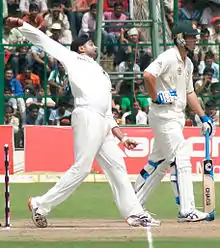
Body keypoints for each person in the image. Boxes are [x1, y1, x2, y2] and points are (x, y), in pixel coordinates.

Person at [6, 17, 160, 228]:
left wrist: (122, 137)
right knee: (82, 168)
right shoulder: (72, 58)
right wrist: (20, 24)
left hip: (102, 122)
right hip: (86, 115)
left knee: (117, 167)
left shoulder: (103, 74)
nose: (94, 45)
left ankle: (134, 213)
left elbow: (107, 112)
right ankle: (40, 204)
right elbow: (43, 40)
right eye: (90, 44)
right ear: (80, 49)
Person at [134, 21, 216, 222]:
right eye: (190, 37)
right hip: (164, 116)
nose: (194, 40)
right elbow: (148, 75)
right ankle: (186, 210)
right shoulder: (168, 57)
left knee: (159, 162)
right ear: (180, 38)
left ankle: (133, 203)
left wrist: (202, 116)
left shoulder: (187, 63)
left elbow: (189, 92)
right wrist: (156, 96)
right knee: (181, 157)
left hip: (176, 116)